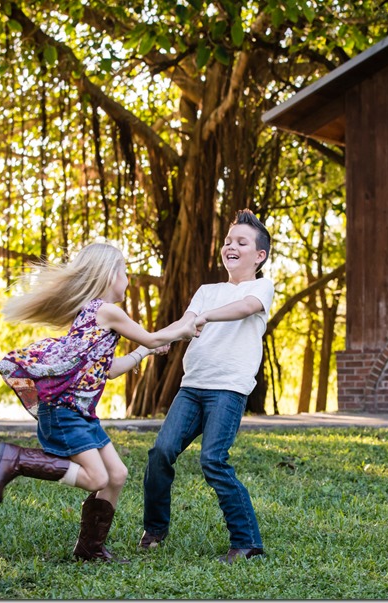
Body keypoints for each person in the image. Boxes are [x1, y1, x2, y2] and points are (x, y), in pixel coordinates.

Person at [0, 242, 196, 563]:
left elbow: (109, 370)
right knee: (97, 478)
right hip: (65, 411)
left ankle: (90, 548)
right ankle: (18, 460)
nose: (128, 278)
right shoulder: (107, 311)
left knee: (116, 475)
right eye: (125, 271)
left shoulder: (90, 314)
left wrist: (143, 352)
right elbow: (154, 336)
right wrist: (184, 329)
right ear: (110, 274)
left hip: (80, 414)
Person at [140, 209, 274, 563]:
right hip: (192, 388)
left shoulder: (260, 287)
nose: (231, 246)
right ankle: (154, 530)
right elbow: (185, 323)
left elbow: (245, 308)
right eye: (228, 241)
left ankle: (247, 542)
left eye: (241, 242)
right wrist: (155, 340)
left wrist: (205, 317)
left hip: (228, 390)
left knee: (213, 460)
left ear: (259, 255)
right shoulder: (206, 291)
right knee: (160, 453)